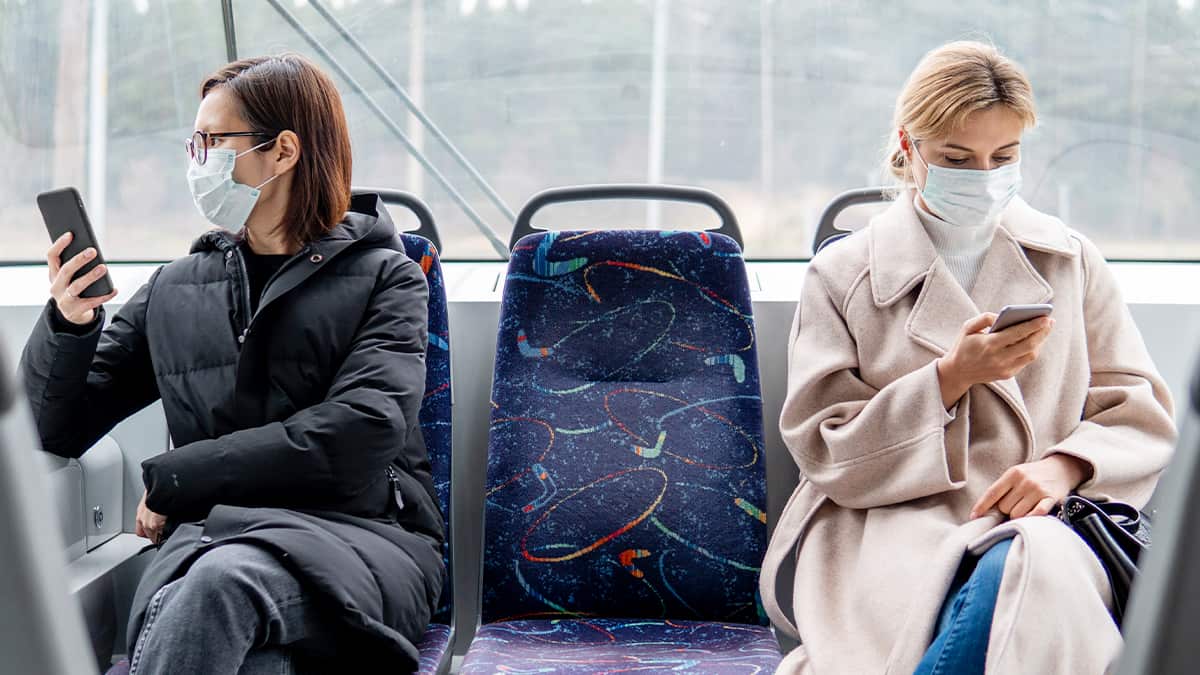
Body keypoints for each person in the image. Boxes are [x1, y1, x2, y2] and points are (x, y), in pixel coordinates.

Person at [759, 41, 1177, 675]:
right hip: (888, 522)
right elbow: (824, 446)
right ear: (909, 146)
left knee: (1032, 566)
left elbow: (1138, 409)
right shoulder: (842, 274)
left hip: (1039, 512)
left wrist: (1064, 467)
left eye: (1003, 157)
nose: (984, 178)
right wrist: (951, 378)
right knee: (1010, 585)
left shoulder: (1069, 259)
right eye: (958, 159)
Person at [20, 53, 443, 674]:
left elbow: (363, 431)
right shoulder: (175, 287)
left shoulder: (388, 278)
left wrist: (179, 478)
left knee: (220, 585)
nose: (198, 161)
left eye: (214, 141)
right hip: (215, 540)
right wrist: (70, 324)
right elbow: (51, 427)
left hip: (363, 540)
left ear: (283, 151)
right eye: (193, 143)